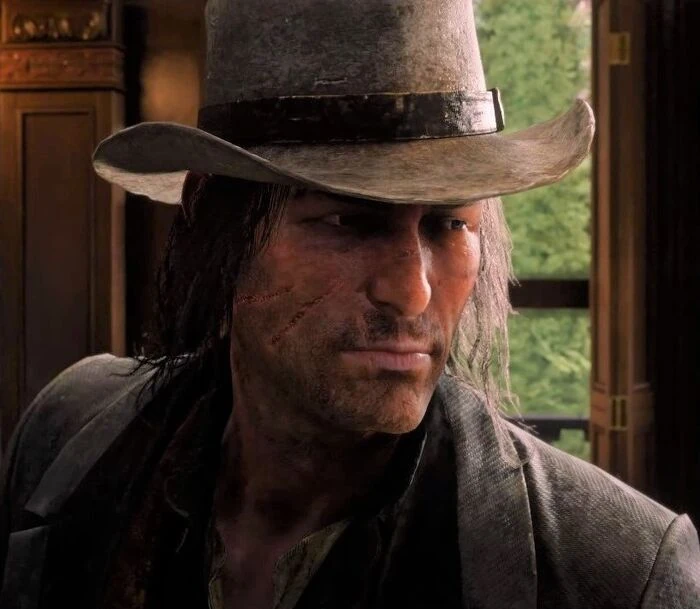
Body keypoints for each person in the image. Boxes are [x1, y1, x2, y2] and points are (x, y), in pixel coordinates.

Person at [1, 0, 698, 607]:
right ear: (217, 227)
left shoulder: (618, 570)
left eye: (447, 225)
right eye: (349, 221)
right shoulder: (68, 432)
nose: (412, 291)